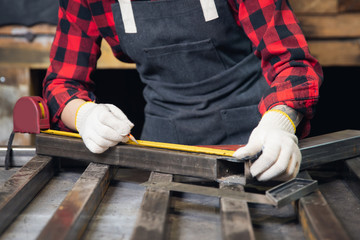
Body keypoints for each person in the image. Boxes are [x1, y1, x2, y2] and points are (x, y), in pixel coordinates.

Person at [43, 0, 323, 181]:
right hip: (163, 148)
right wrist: (84, 115)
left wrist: (280, 122)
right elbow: (61, 82)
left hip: (255, 143)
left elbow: (293, 62)